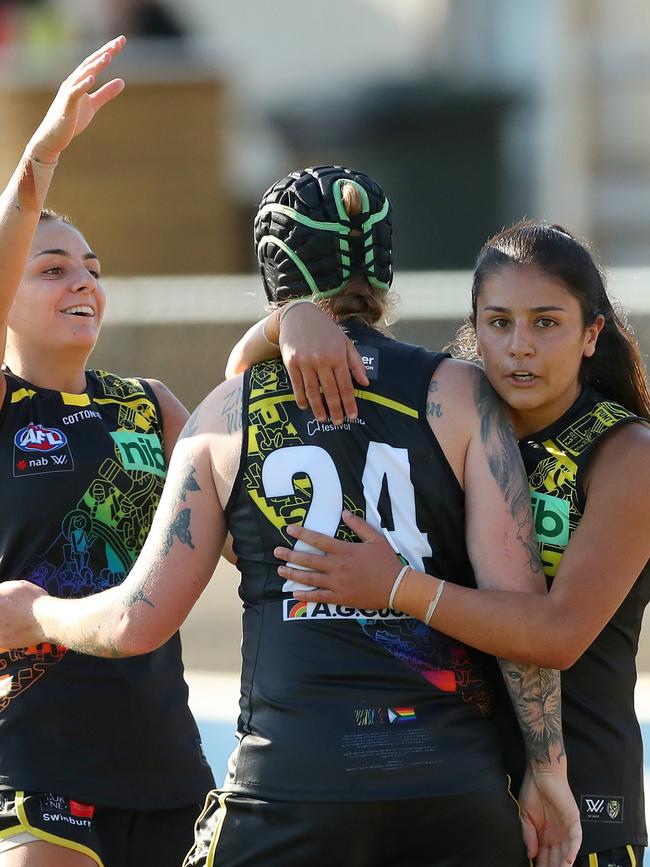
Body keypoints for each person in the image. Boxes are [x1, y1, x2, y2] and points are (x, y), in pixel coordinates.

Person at [0, 167, 581, 866]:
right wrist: (548, 771)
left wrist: (36, 613)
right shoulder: (461, 392)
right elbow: (520, 616)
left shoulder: (225, 409)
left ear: (274, 270)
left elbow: (136, 619)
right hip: (451, 781)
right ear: (385, 266)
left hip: (289, 785)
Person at [232, 220, 650, 867]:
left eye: (547, 323)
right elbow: (247, 416)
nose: (520, 347)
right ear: (474, 326)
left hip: (578, 808)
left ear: (592, 333)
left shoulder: (626, 454)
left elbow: (559, 632)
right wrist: (286, 323)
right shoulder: (449, 419)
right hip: (464, 794)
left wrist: (396, 584)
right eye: (499, 322)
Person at [0, 37, 214, 866]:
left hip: (167, 768)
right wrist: (41, 157)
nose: (82, 281)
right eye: (51, 268)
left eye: (92, 266)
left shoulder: (150, 404)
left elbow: (250, 527)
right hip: (36, 761)